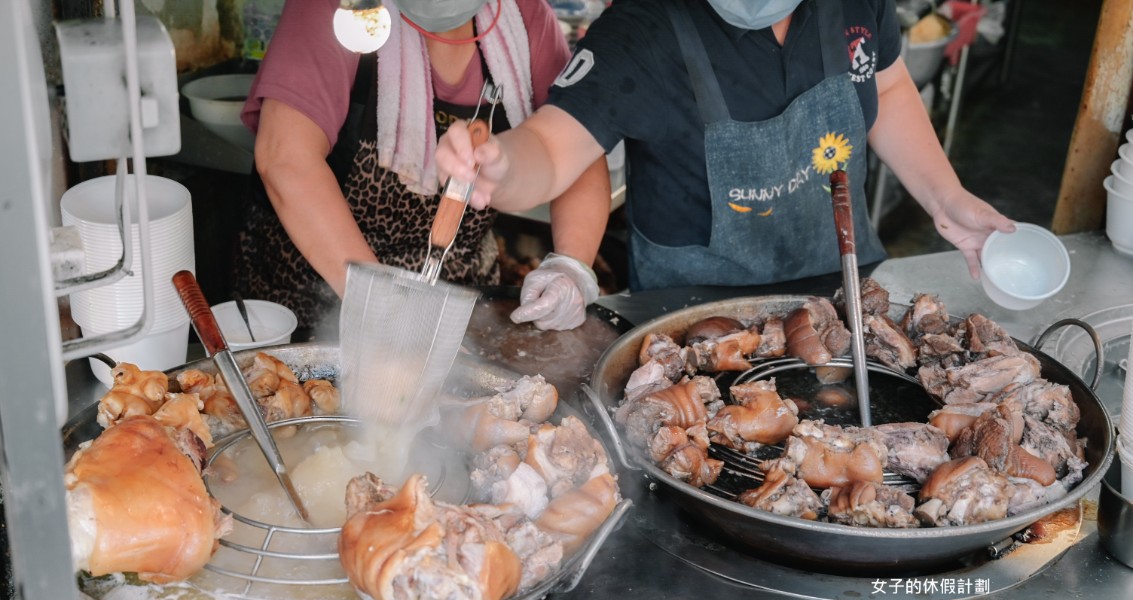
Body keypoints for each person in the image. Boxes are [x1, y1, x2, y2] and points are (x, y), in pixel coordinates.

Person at [435, 0, 1015, 296]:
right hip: (693, 324)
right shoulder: (644, 27)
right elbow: (554, 146)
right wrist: (502, 165)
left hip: (848, 301)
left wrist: (945, 197)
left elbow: (885, 85)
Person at [233, 0, 611, 334]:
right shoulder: (345, 8)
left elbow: (579, 148)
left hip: (461, 307)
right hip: (313, 300)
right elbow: (285, 157)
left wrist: (572, 267)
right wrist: (383, 305)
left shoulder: (524, 15)